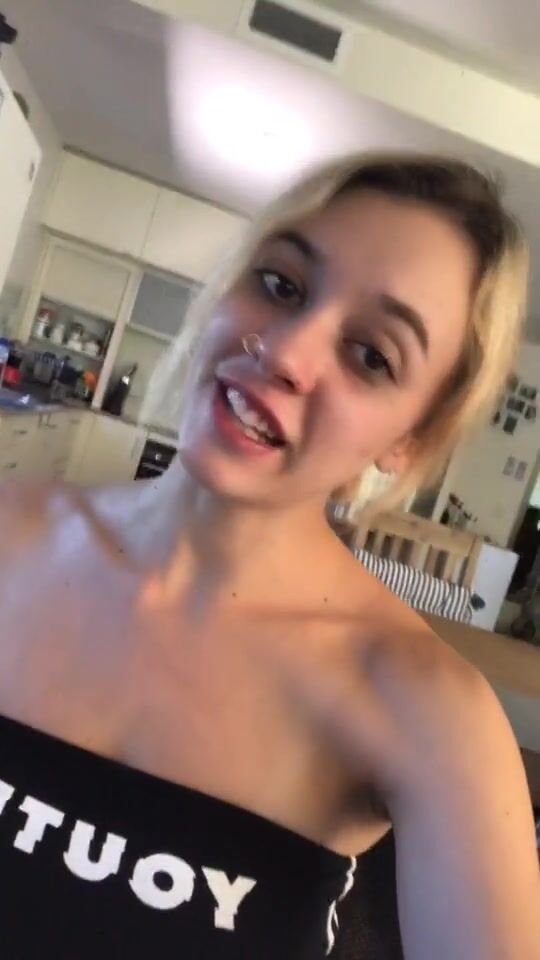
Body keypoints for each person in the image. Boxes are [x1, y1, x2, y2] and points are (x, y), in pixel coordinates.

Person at [1, 153, 539, 960]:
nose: (286, 352)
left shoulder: (426, 710)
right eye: (282, 284)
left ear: (410, 438)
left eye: (371, 356)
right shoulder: (11, 533)